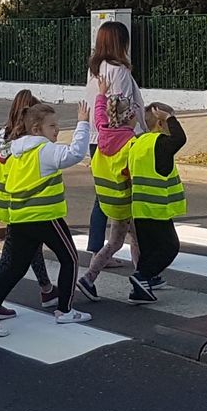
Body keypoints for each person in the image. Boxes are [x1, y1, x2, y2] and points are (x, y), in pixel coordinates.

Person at [0, 101, 93, 337]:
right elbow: (75, 153)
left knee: (16, 268)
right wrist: (82, 123)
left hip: (20, 218)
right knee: (70, 259)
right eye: (52, 126)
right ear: (37, 130)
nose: (57, 130)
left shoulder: (17, 151)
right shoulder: (44, 150)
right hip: (45, 216)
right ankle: (65, 310)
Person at [0, 90, 67, 310]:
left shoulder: (4, 138)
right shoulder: (24, 143)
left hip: (8, 204)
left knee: (27, 252)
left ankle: (46, 289)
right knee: (12, 261)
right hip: (23, 205)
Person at [83, 22, 145, 266]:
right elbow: (123, 107)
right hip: (118, 139)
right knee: (126, 195)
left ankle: (96, 248)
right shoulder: (119, 71)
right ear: (121, 43)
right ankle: (133, 250)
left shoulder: (94, 69)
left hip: (96, 138)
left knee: (103, 195)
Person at [79, 76, 143, 299]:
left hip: (109, 201)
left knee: (120, 241)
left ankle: (90, 278)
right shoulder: (131, 144)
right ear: (131, 118)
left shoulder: (103, 133)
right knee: (131, 241)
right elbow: (135, 174)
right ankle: (141, 279)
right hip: (125, 202)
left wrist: (101, 93)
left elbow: (99, 114)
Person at [126, 103, 187, 304]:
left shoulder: (138, 143)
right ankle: (142, 276)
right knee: (170, 247)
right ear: (161, 123)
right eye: (170, 121)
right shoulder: (159, 144)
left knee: (148, 251)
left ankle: (140, 289)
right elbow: (180, 139)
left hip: (140, 208)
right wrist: (169, 117)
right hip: (157, 209)